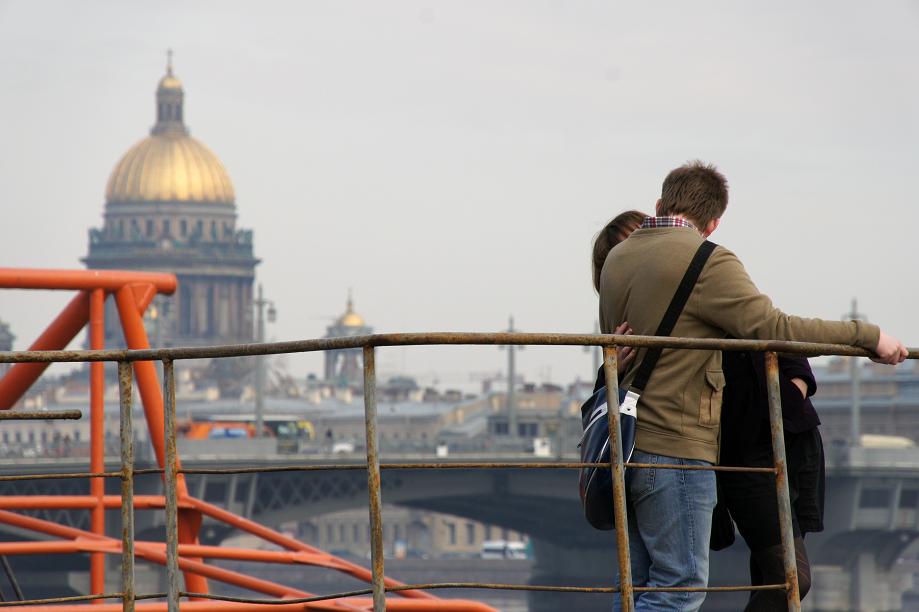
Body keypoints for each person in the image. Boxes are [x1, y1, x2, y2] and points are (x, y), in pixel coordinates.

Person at [597, 161, 907, 611]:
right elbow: (774, 328)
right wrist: (867, 336)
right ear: (714, 221)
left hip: (626, 447)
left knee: (641, 587)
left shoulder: (617, 260)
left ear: (660, 205)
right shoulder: (708, 260)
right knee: (679, 588)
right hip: (680, 447)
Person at [593, 210, 823, 609]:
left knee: (781, 577)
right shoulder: (631, 333)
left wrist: (794, 387)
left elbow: (773, 333)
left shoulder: (701, 281)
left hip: (746, 450)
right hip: (688, 452)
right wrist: (613, 365)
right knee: (669, 585)